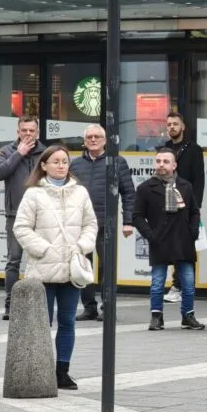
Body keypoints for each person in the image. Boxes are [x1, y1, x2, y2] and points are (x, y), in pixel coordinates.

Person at [12, 145, 98, 390]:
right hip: (43, 269)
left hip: (71, 269)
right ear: (44, 165)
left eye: (65, 161)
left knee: (68, 321)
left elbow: (90, 224)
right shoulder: (33, 194)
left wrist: (81, 246)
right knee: (43, 323)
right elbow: (21, 228)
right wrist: (44, 249)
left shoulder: (80, 192)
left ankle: (62, 371)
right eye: (56, 161)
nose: (61, 165)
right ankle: (40, 369)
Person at [133, 148, 205, 332]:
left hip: (183, 239)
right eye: (158, 161)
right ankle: (156, 317)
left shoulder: (185, 186)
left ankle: (188, 316)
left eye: (166, 161)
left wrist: (193, 231)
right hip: (160, 240)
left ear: (174, 165)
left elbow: (194, 211)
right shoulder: (145, 188)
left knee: (188, 282)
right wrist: (150, 235)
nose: (161, 165)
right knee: (158, 282)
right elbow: (137, 216)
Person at [70, 124, 136, 322]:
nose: (93, 140)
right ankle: (89, 308)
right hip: (80, 225)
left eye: (97, 136)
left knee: (107, 268)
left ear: (105, 140)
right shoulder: (75, 164)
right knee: (83, 267)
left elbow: (129, 193)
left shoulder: (117, 162)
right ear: (84, 141)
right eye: (89, 137)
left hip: (106, 224)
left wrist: (128, 222)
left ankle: (107, 308)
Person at [0, 115, 46, 321]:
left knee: (42, 260)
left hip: (42, 215)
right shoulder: (7, 151)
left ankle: (38, 306)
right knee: (13, 261)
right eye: (24, 130)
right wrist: (19, 153)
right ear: (18, 132)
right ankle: (11, 305)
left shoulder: (46, 153)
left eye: (31, 130)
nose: (27, 134)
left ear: (37, 132)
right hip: (15, 214)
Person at [161, 112, 205, 304]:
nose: (172, 127)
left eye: (175, 124)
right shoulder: (164, 149)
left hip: (187, 205)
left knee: (186, 247)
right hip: (167, 202)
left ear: (183, 127)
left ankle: (181, 287)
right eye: (169, 124)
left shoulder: (194, 149)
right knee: (171, 246)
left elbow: (199, 180)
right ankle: (177, 285)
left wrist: (196, 207)